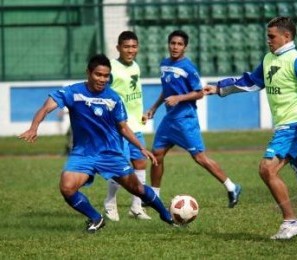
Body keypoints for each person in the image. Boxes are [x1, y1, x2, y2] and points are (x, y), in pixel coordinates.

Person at [18, 54, 175, 232]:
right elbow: (46, 107)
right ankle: (96, 218)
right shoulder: (72, 92)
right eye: (98, 75)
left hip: (110, 153)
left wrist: (141, 147)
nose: (102, 79)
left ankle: (166, 215)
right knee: (67, 188)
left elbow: (123, 127)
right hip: (83, 153)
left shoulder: (114, 98)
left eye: (106, 76)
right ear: (89, 73)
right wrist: (34, 128)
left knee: (137, 189)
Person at [204, 17, 297, 240]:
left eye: (272, 36)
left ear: (287, 36)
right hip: (290, 127)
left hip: (295, 126)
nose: (268, 40)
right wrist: (219, 88)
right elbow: (251, 81)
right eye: (267, 36)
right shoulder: (269, 59)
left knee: (266, 169)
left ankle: (291, 221)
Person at [145, 30, 241, 209]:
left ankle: (232, 186)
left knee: (200, 158)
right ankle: (154, 197)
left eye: (179, 44)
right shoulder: (164, 64)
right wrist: (153, 108)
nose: (175, 47)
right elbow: (166, 91)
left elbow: (199, 93)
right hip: (169, 119)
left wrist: (178, 98)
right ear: (168, 44)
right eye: (172, 43)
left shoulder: (188, 68)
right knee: (157, 155)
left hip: (185, 119)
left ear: (185, 47)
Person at [103, 31, 151, 221]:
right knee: (120, 167)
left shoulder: (136, 66)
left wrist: (141, 112)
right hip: (118, 126)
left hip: (135, 125)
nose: (130, 50)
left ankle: (136, 207)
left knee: (140, 162)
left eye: (133, 46)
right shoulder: (112, 68)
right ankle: (110, 203)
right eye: (126, 47)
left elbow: (134, 92)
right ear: (118, 48)